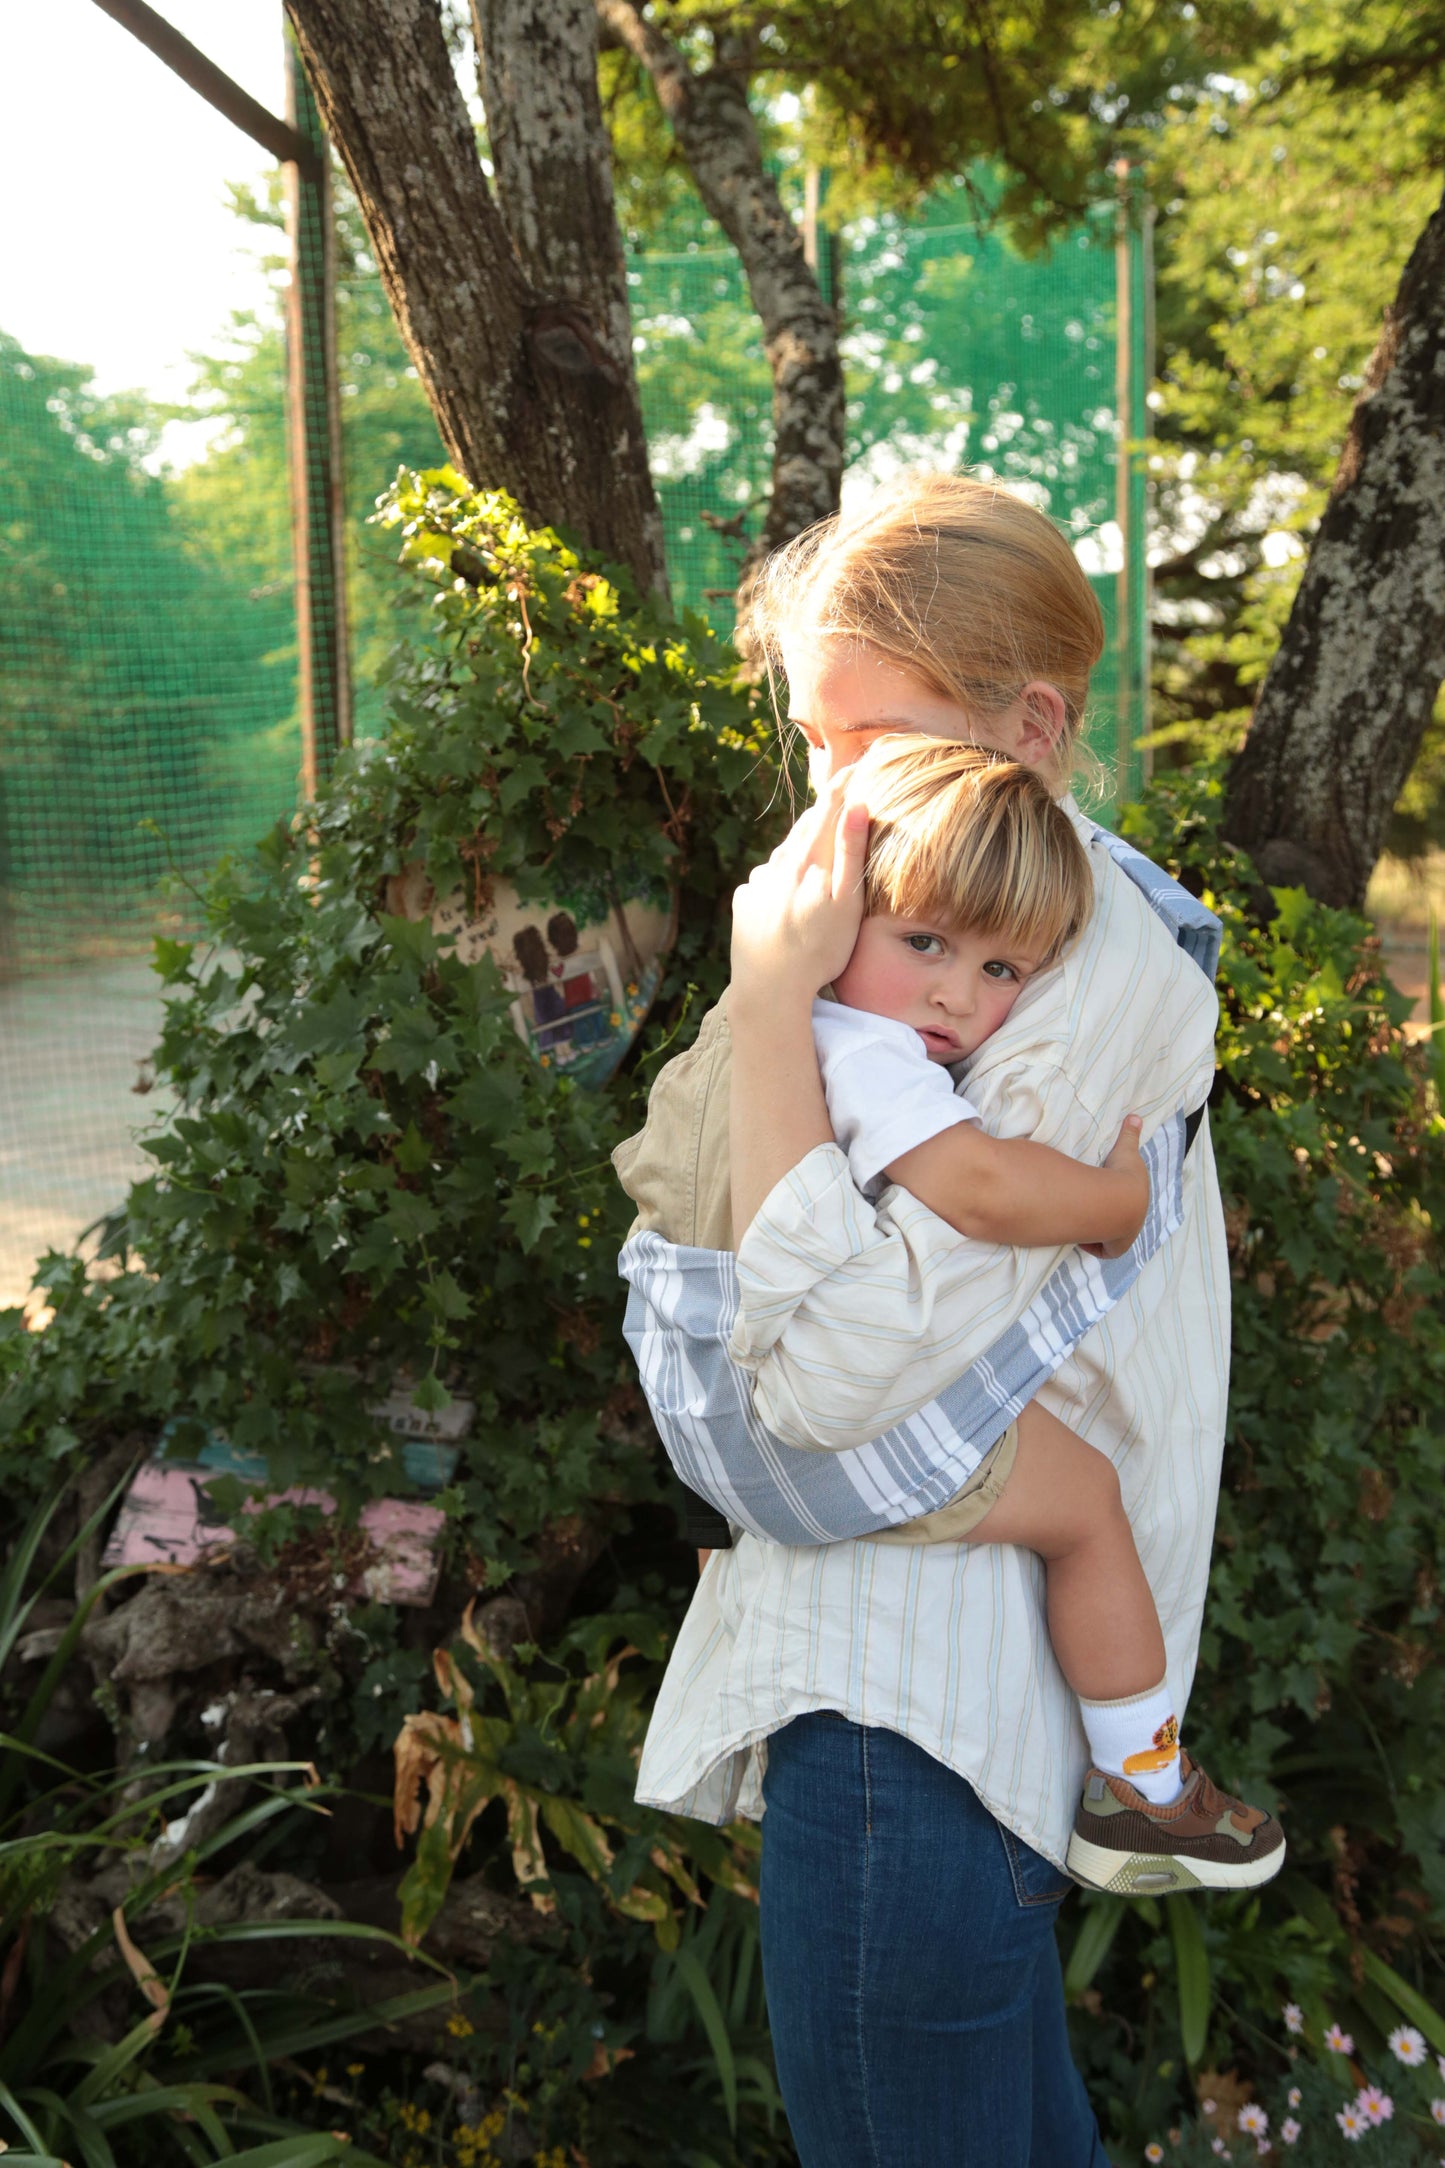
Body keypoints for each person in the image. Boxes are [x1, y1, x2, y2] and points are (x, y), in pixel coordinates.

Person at [612, 472, 1245, 2167]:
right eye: (813, 742)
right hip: (921, 1708)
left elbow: (815, 1379)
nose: (829, 795)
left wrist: (759, 997)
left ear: (1028, 725)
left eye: (868, 737)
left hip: (913, 1718)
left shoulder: (1053, 970)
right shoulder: (925, 932)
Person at [778, 731, 1282, 1895]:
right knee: (1091, 1506)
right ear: (839, 915)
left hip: (854, 1397)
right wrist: (1113, 1203)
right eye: (924, 942)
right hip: (868, 1418)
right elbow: (984, 1187)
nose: (956, 992)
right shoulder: (861, 1051)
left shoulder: (864, 1032)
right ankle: (1145, 1786)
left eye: (1003, 970)